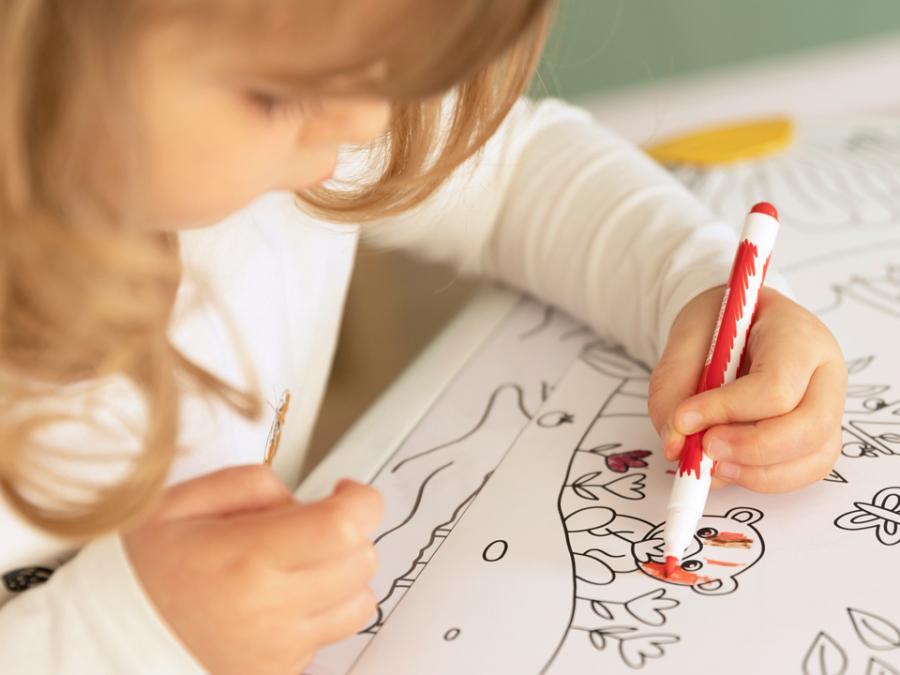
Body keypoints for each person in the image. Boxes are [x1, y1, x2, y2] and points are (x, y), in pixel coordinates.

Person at [0, 1, 847, 672]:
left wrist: (697, 289)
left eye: (388, 67)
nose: (367, 123)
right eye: (277, 91)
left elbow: (515, 175)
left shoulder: (306, 120)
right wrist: (130, 637)